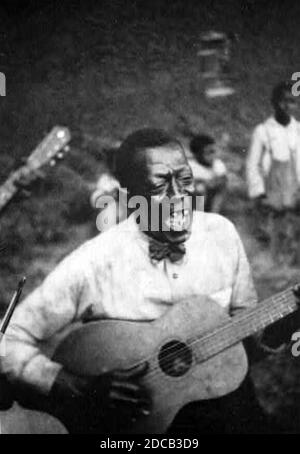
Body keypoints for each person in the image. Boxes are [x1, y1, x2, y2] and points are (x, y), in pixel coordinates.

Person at [2, 128, 299, 434]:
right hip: (136, 427)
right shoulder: (94, 261)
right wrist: (76, 385)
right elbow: (7, 340)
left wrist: (287, 320)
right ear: (130, 196)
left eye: (185, 180)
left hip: (230, 412)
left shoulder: (222, 234)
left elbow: (245, 348)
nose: (179, 195)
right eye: (161, 185)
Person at [246, 81, 300, 257]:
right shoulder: (263, 131)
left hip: (295, 186)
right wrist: (259, 192)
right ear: (274, 102)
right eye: (283, 100)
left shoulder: (298, 129)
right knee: (278, 224)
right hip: (273, 188)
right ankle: (275, 259)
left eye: (291, 101)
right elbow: (253, 164)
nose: (287, 105)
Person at [188, 134, 227, 213]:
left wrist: (212, 183)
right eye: (208, 153)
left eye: (213, 152)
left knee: (220, 186)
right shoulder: (190, 166)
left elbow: (222, 180)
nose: (213, 156)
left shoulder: (217, 165)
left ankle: (214, 214)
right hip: (192, 201)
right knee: (199, 188)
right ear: (197, 155)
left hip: (210, 199)